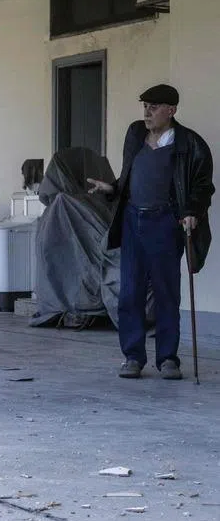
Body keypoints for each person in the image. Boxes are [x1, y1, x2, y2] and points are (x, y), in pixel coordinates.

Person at [88, 83, 214, 380]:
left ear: (171, 110)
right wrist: (112, 189)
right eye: (144, 106)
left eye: (153, 107)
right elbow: (129, 176)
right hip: (133, 220)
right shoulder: (135, 134)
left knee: (165, 293)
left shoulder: (190, 144)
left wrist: (191, 211)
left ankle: (168, 359)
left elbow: (203, 186)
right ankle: (132, 357)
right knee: (129, 293)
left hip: (166, 222)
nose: (147, 112)